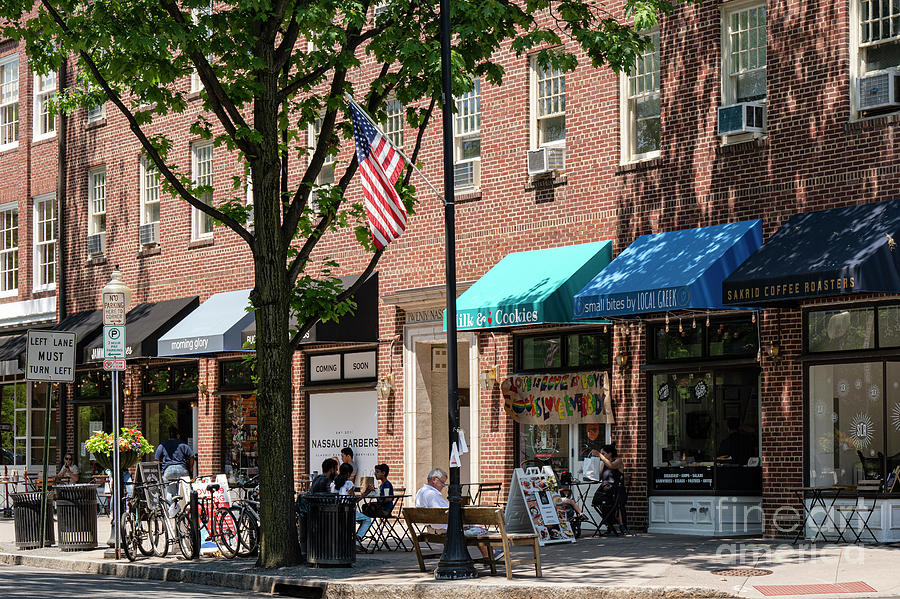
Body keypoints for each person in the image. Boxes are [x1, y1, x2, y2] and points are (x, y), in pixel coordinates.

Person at [415, 468, 498, 561]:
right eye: (442, 482)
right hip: (444, 530)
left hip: (433, 529)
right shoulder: (432, 495)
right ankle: (489, 556)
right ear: (434, 479)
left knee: (472, 527)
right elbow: (443, 518)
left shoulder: (421, 492)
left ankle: (489, 555)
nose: (443, 486)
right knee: (479, 529)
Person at [154, 426, 195, 515]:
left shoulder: (163, 445)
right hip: (182, 470)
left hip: (168, 470)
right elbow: (192, 457)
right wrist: (191, 469)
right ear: (178, 436)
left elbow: (156, 459)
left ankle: (170, 512)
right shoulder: (183, 444)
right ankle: (185, 512)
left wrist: (160, 469)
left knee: (169, 491)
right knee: (184, 491)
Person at [591, 444, 628, 535]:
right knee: (600, 503)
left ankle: (622, 526)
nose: (602, 455)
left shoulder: (618, 461)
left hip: (616, 489)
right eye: (601, 453)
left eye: (604, 453)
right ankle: (609, 525)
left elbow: (611, 466)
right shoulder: (604, 464)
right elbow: (598, 477)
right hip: (605, 489)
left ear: (610, 454)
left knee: (617, 505)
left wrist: (599, 455)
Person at [331, 462, 373, 543]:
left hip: (335, 512)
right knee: (367, 520)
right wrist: (366, 492)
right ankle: (357, 538)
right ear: (348, 473)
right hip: (348, 512)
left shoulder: (333, 484)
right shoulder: (349, 484)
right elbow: (354, 501)